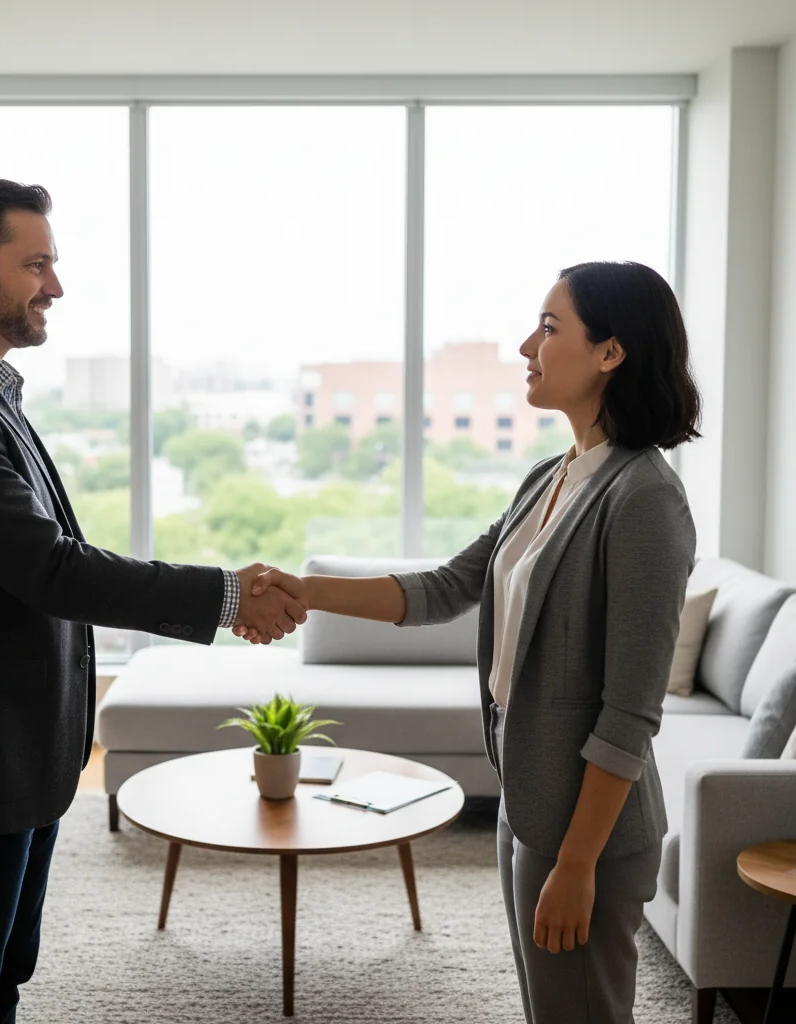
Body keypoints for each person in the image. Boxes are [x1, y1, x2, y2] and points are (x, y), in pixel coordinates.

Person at [0, 175, 305, 1024]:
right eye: (37, 264)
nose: (55, 286)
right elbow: (50, 569)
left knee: (0, 977)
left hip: (12, 759)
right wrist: (228, 593)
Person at [239, 262, 702, 1024]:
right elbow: (447, 587)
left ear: (611, 353)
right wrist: (303, 589)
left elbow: (630, 712)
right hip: (531, 806)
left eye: (550, 329)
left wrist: (578, 863)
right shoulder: (549, 479)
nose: (528, 345)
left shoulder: (644, 498)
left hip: (588, 836)